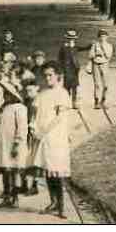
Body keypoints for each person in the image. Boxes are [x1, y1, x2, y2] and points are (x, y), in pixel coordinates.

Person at [28, 62, 75, 219]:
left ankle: (61, 206)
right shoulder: (42, 94)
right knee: (47, 170)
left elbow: (60, 117)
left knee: (57, 170)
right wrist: (34, 127)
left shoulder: (62, 94)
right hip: (42, 136)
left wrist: (44, 131)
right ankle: (53, 202)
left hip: (55, 136)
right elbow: (35, 114)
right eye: (45, 75)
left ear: (58, 76)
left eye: (50, 75)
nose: (47, 78)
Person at [0, 81, 29, 208]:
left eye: (7, 94)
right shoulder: (4, 108)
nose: (5, 96)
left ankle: (15, 197)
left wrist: (17, 143)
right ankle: (7, 195)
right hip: (3, 144)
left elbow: (22, 128)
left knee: (14, 172)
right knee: (5, 171)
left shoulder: (19, 108)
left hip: (13, 144)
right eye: (4, 93)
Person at [57, 30, 90, 107]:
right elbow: (60, 58)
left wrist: (90, 45)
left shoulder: (75, 47)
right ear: (67, 39)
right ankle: (67, 101)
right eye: (70, 38)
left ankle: (74, 102)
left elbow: (84, 48)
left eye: (73, 39)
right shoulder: (64, 48)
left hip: (75, 69)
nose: (71, 40)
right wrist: (61, 68)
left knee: (75, 86)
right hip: (67, 69)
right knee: (67, 86)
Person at [20, 80, 40, 196]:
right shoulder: (26, 101)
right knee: (24, 158)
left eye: (31, 90)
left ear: (37, 88)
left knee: (34, 159)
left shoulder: (40, 102)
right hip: (26, 132)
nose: (28, 93)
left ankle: (34, 185)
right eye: (27, 91)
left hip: (35, 132)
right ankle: (24, 184)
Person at [87, 30, 114, 109]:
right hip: (96, 65)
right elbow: (90, 55)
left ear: (107, 37)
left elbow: (109, 56)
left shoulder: (109, 46)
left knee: (106, 85)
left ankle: (103, 101)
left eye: (104, 37)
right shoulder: (95, 45)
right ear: (99, 37)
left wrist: (102, 51)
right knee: (97, 84)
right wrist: (95, 53)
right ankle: (97, 102)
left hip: (105, 65)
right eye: (101, 36)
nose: (103, 38)